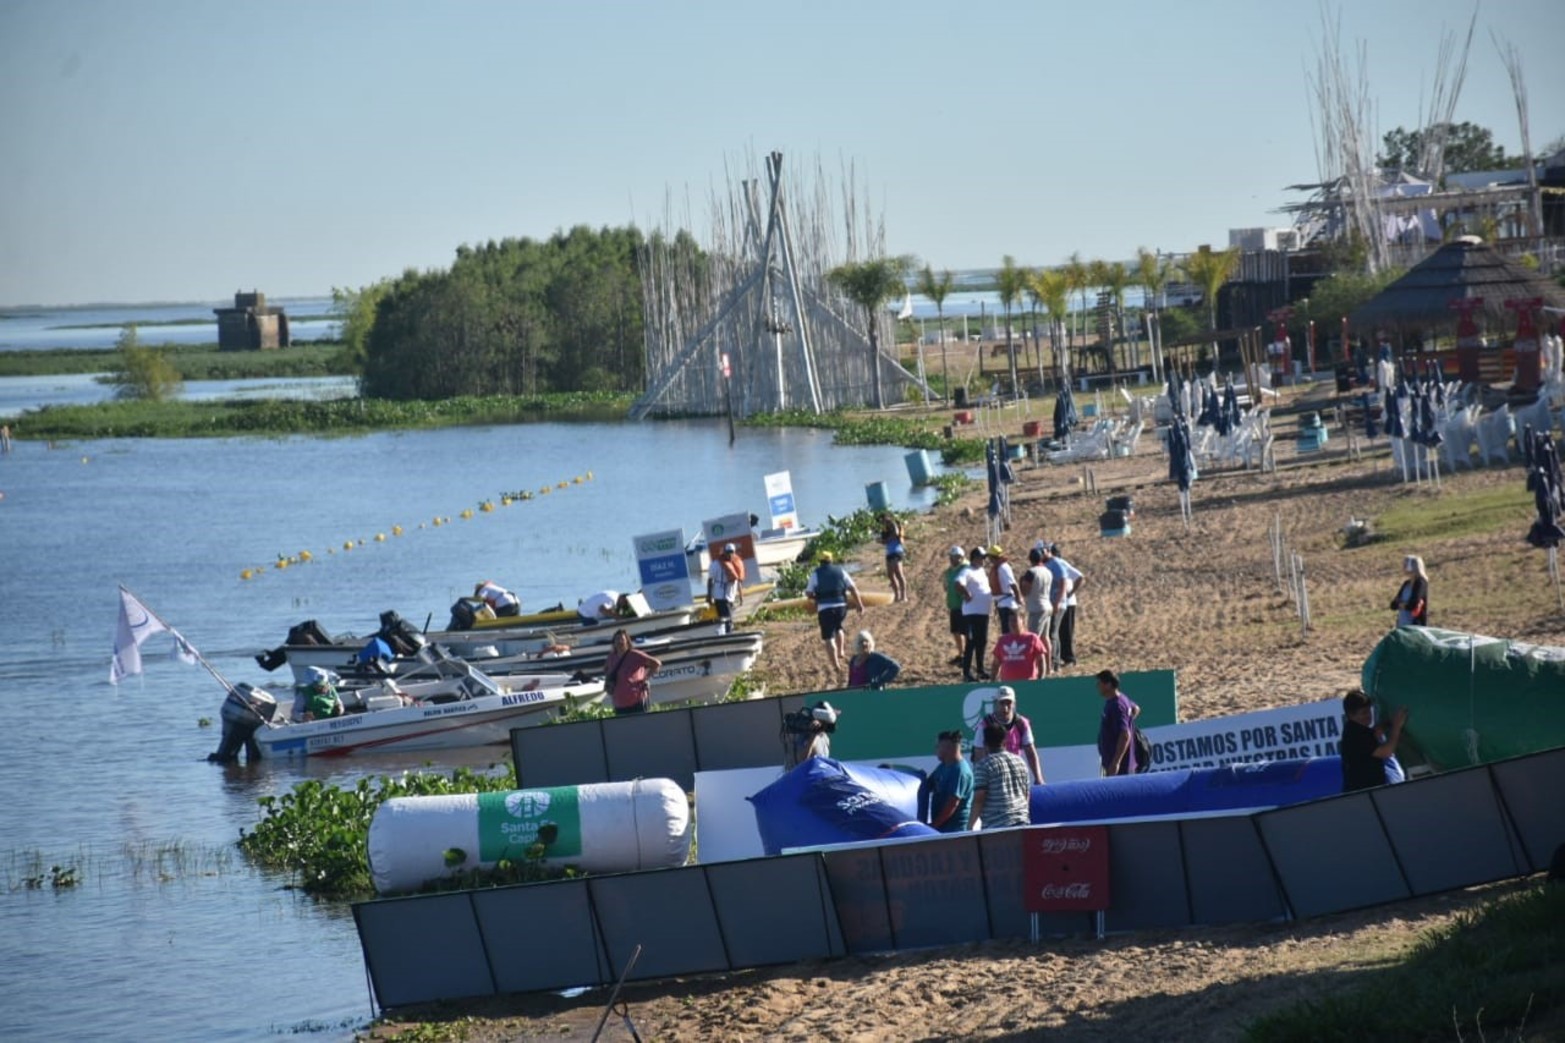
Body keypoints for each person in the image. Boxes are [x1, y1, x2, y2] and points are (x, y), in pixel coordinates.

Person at [804, 551, 862, 675]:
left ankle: (836, 665)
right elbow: (853, 588)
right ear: (831, 560)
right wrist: (859, 604)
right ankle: (841, 651)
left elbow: (808, 593)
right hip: (841, 607)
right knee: (838, 627)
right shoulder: (841, 571)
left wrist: (816, 598)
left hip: (825, 609)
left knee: (828, 637)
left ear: (820, 561)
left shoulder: (816, 573)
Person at [1340, 689, 1409, 792]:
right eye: (1363, 713)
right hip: (1364, 792)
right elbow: (1386, 752)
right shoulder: (1357, 734)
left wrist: (1388, 723)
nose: (1368, 716)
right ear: (1351, 715)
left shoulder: (1353, 729)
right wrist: (1396, 727)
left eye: (1369, 711)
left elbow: (1374, 733)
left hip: (1364, 791)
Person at [974, 685, 1044, 784]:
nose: (1005, 708)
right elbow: (978, 755)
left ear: (1014, 704)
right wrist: (981, 782)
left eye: (1008, 703)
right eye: (1002, 703)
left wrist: (1038, 778)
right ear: (995, 703)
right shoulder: (985, 724)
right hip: (993, 775)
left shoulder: (1022, 723)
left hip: (1016, 772)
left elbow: (1030, 753)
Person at [968, 722, 1032, 829]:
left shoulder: (984, 765)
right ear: (1005, 741)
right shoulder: (1020, 762)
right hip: (1023, 823)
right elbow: (1026, 794)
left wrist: (970, 826)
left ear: (984, 743)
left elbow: (979, 798)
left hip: (997, 827)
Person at [1040, 542, 1085, 667]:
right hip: (1058, 601)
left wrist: (1070, 593)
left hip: (1067, 602)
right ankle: (1060, 657)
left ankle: (1069, 658)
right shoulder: (1049, 564)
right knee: (1057, 632)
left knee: (1066, 632)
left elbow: (1079, 577)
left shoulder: (1060, 563)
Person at [922, 730, 974, 833]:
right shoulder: (943, 766)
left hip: (954, 832)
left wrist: (934, 826)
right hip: (941, 830)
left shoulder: (960, 771)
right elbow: (928, 784)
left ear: (947, 748)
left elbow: (952, 804)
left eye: (938, 747)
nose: (936, 750)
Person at [603, 628, 660, 715]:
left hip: (637, 699)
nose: (619, 642)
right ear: (614, 642)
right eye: (617, 639)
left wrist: (645, 678)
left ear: (627, 641)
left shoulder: (635, 655)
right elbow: (606, 670)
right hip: (619, 702)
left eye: (622, 639)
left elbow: (656, 663)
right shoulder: (611, 657)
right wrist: (608, 684)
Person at [958, 546, 993, 682]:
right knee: (971, 642)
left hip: (983, 612)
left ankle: (980, 669)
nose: (983, 560)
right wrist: (966, 593)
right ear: (974, 558)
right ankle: (966, 672)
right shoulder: (967, 571)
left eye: (984, 558)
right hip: (972, 613)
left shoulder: (981, 571)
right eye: (981, 557)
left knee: (982, 641)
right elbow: (958, 583)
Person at [1096, 669, 1140, 776]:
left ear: (1108, 685)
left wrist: (1116, 762)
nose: (1097, 686)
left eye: (1100, 683)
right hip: (1117, 765)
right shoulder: (1121, 699)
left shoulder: (1117, 705)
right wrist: (1129, 719)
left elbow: (1125, 735)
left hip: (1120, 768)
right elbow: (1136, 708)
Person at [990, 613, 1050, 685]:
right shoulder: (1003, 640)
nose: (1012, 623)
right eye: (1010, 621)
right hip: (1007, 684)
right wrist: (992, 682)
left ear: (1023, 621)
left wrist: (1040, 681)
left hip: (1028, 683)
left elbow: (1041, 661)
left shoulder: (1032, 638)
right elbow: (996, 664)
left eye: (1015, 620)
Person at [1019, 546, 1055, 651]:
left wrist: (1021, 582)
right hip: (1048, 605)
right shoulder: (1048, 571)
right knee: (1045, 638)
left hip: (1036, 608)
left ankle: (1033, 660)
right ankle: (1048, 661)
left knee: (1033, 637)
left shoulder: (1031, 572)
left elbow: (1025, 592)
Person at [706, 543, 745, 634]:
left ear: (734, 552)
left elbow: (738, 581)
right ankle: (728, 635)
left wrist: (741, 596)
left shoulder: (737, 563)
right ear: (724, 552)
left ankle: (726, 634)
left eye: (732, 552)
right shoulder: (716, 564)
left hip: (731, 596)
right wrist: (709, 595)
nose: (730, 554)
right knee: (727, 619)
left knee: (727, 618)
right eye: (728, 552)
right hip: (720, 596)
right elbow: (710, 580)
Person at [943, 545, 968, 665]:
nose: (955, 559)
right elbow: (946, 586)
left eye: (958, 557)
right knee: (955, 631)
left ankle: (967, 655)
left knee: (965, 632)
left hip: (964, 605)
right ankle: (961, 654)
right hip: (953, 605)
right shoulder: (949, 571)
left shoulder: (965, 569)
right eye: (953, 557)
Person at [988, 545, 1021, 634]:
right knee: (1006, 632)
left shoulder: (1003, 567)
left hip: (1008, 605)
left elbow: (1013, 584)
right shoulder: (998, 567)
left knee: (1009, 632)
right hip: (1002, 604)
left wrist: (1018, 598)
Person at [1390, 555, 1429, 627]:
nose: (1403, 567)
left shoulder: (1421, 583)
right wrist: (1403, 605)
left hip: (1414, 626)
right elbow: (1393, 605)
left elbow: (1413, 604)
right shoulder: (1406, 583)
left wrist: (1401, 605)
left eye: (1405, 565)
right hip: (1402, 624)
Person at [879, 512, 909, 603]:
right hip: (889, 552)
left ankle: (903, 596)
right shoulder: (886, 528)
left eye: (884, 520)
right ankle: (897, 595)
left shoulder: (893, 524)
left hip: (896, 551)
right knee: (890, 575)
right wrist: (882, 541)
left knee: (899, 574)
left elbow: (895, 534)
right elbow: (885, 540)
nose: (883, 522)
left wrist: (886, 540)